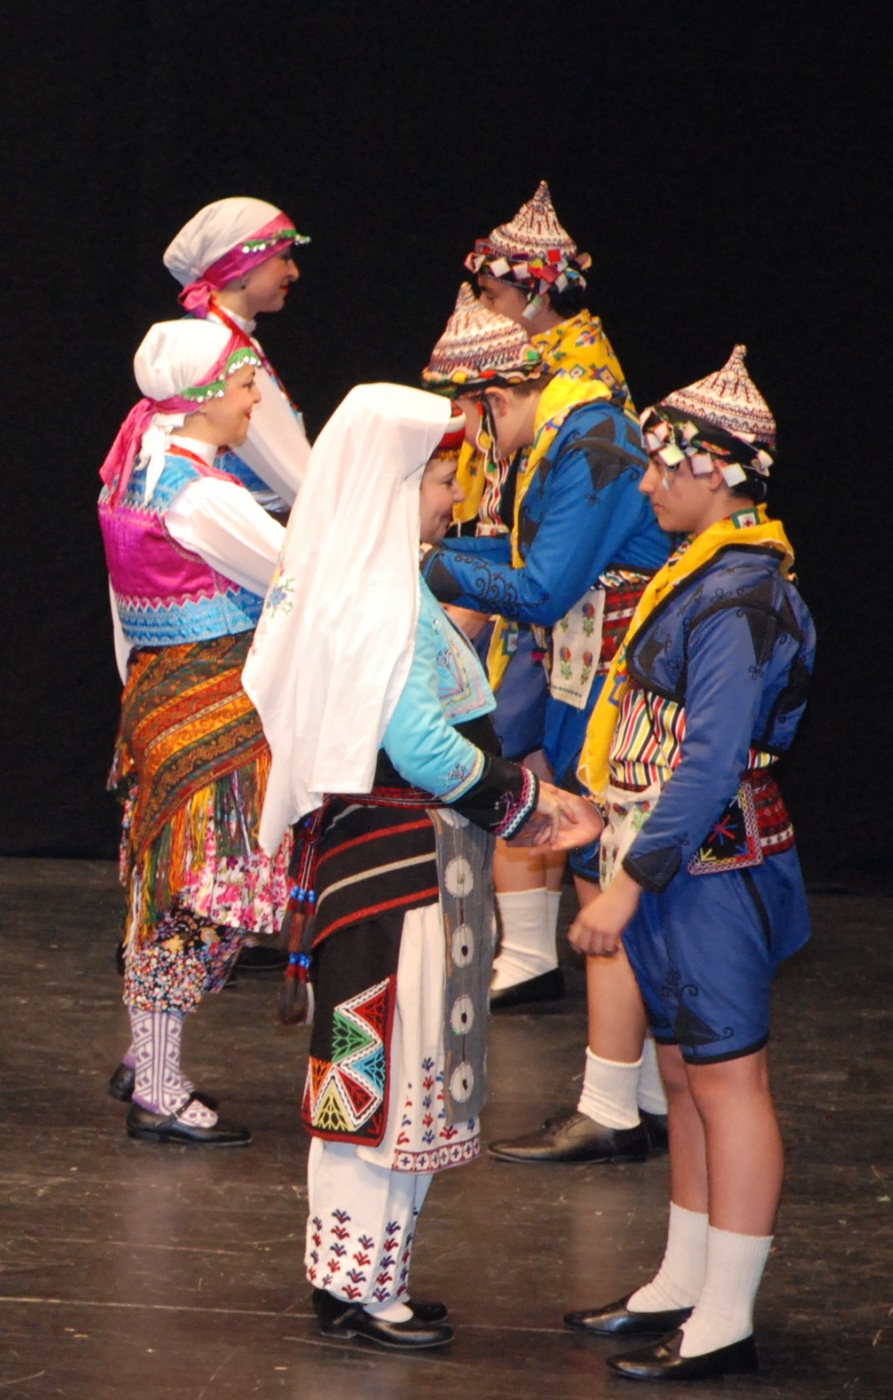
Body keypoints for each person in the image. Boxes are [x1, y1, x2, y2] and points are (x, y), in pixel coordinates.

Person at [246, 382, 603, 1350]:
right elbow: (424, 748)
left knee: (367, 1071)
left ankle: (357, 1277)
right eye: (442, 479)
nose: (454, 497)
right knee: (385, 1072)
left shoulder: (363, 579)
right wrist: (532, 806)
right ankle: (363, 1288)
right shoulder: (379, 596)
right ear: (396, 484)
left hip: (387, 864)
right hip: (400, 872)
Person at [561, 348, 809, 1382]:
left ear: (718, 473)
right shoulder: (703, 573)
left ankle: (727, 1316)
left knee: (728, 1078)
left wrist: (625, 884)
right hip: (675, 860)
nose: (649, 484)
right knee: (682, 1071)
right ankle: (683, 1276)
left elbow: (708, 760)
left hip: (710, 869)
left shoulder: (743, 593)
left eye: (665, 466)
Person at [420, 283, 675, 1167]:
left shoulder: (593, 439)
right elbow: (523, 558)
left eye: (465, 423)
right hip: (588, 672)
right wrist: (425, 555)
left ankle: (613, 1104)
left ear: (493, 400)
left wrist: (427, 563)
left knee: (606, 879)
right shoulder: (566, 433)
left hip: (621, 682)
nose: (468, 447)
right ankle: (639, 1096)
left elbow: (539, 587)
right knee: (601, 874)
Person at [96, 318, 287, 1148]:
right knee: (203, 897)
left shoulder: (135, 476)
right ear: (204, 396)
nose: (253, 400)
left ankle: (148, 1057)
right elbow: (295, 575)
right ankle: (158, 1085)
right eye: (244, 385)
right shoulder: (202, 496)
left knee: (187, 892)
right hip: (211, 711)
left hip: (160, 698)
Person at [163, 196, 313, 517]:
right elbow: (290, 472)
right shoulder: (215, 352)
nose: (294, 272)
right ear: (245, 268)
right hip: (241, 526)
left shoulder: (234, 340)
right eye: (284, 258)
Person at [466, 181, 627, 409]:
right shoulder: (535, 346)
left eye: (491, 297)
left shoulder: (579, 370)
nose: (481, 305)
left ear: (541, 299)